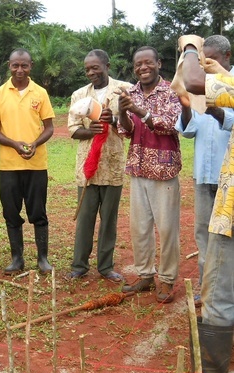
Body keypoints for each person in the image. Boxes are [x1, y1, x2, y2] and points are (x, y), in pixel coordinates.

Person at [157, 34, 234, 373]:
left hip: (230, 200)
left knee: (220, 293)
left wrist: (190, 48)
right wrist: (194, 102)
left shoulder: (226, 81)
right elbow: (198, 115)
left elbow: (192, 80)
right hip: (210, 183)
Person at [117, 46, 182, 303]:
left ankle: (166, 279)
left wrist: (140, 110)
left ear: (159, 63)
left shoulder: (171, 92)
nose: (143, 68)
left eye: (148, 63)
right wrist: (123, 111)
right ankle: (145, 276)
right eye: (138, 64)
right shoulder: (130, 92)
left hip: (164, 171)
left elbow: (170, 124)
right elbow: (127, 131)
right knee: (139, 228)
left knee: (166, 229)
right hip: (138, 168)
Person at [175, 35, 233, 305]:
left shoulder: (226, 85)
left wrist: (214, 109)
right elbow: (188, 130)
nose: (206, 65)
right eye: (203, 61)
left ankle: (225, 294)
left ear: (227, 57)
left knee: (227, 238)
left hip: (228, 181)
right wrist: (187, 109)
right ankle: (206, 290)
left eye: (212, 60)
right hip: (204, 176)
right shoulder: (202, 89)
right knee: (203, 236)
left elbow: (228, 120)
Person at [66, 49, 132, 283]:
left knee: (109, 219)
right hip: (87, 169)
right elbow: (73, 129)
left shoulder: (124, 89)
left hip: (113, 165)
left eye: (95, 67)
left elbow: (132, 127)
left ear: (107, 65)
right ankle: (79, 266)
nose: (91, 72)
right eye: (87, 69)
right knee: (85, 218)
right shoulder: (79, 94)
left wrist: (113, 120)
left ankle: (105, 266)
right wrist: (90, 130)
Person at [0, 48, 54, 275]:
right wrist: (14, 144)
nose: (19, 70)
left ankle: (43, 258)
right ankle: (17, 258)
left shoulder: (40, 93)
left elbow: (49, 127)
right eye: (15, 65)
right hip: (8, 166)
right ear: (9, 65)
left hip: (36, 165)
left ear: (31, 66)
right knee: (11, 213)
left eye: (24, 65)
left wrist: (35, 144)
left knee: (38, 212)